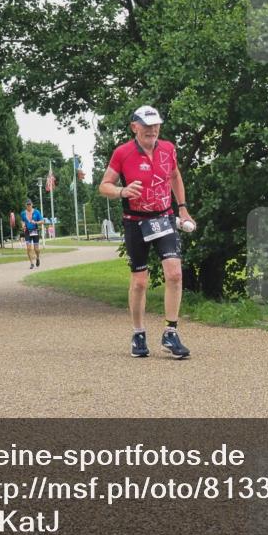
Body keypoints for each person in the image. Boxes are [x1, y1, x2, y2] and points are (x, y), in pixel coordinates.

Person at [99, 105, 194, 359]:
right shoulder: (123, 153)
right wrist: (122, 191)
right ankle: (139, 333)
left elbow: (175, 176)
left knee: (174, 274)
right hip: (135, 221)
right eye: (147, 125)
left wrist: (182, 209)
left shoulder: (168, 149)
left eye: (156, 125)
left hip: (163, 217)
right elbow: (104, 185)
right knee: (140, 282)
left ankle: (171, 333)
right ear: (135, 127)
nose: (152, 130)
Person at [20, 199, 44, 269]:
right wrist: (23, 225)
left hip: (35, 231)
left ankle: (37, 258)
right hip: (27, 231)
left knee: (36, 249)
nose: (28, 206)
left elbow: (42, 221)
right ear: (26, 205)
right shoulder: (23, 213)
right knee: (28, 248)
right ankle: (31, 263)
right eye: (27, 205)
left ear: (32, 205)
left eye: (29, 205)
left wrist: (36, 222)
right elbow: (22, 221)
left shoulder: (36, 212)